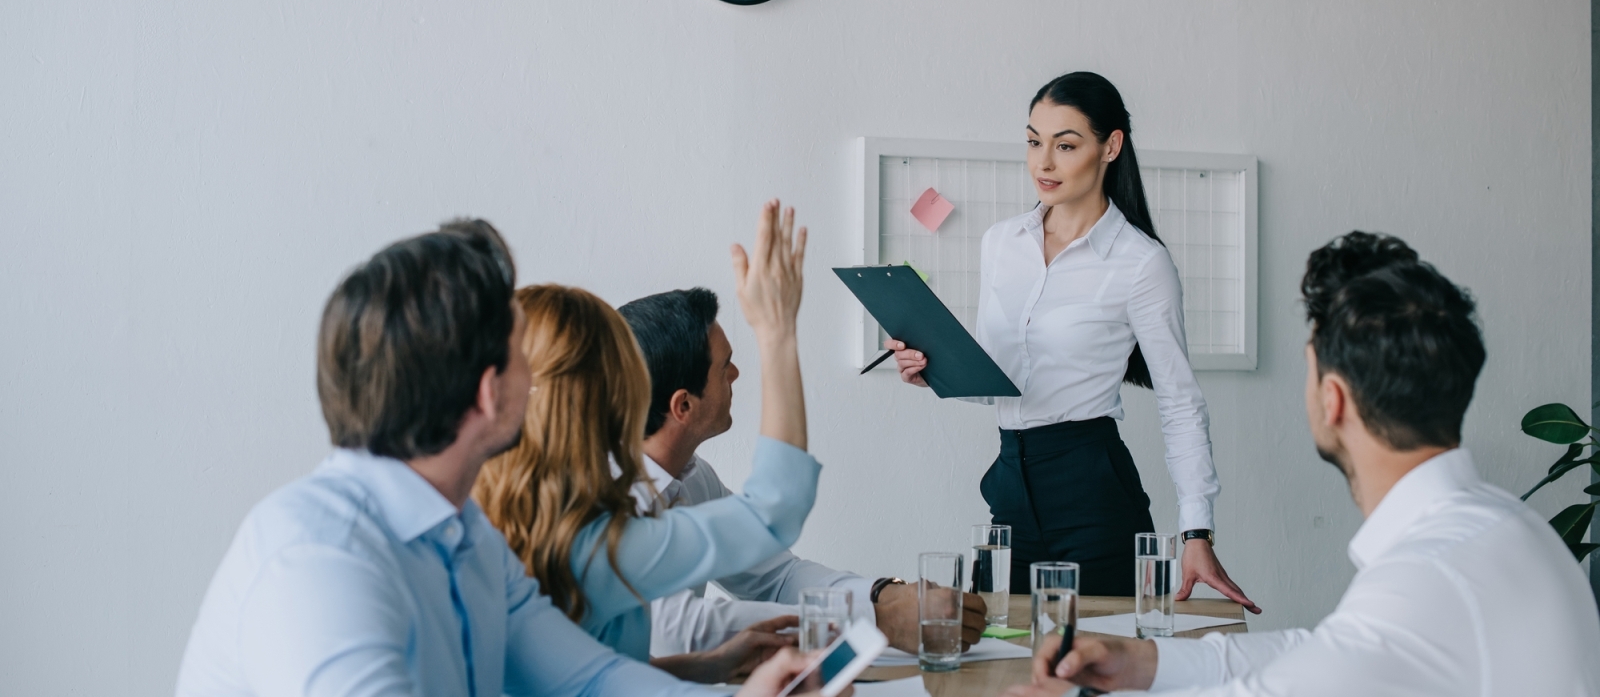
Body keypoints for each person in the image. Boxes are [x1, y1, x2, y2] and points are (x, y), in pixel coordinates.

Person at [174, 218, 830, 697]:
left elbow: (587, 679)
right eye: (525, 355)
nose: (542, 381)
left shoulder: (468, 540)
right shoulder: (320, 557)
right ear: (492, 393)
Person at [1013, 231, 1600, 696]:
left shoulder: (1429, 575)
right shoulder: (1496, 525)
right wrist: (1143, 660)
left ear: (1333, 397)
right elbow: (1326, 653)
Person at [888, 72, 1255, 609]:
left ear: (1111, 146)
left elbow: (1180, 402)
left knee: (1095, 674)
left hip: (1093, 494)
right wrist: (934, 371)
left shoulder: (1141, 263)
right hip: (1010, 489)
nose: (1044, 162)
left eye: (1065, 145)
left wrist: (1196, 533)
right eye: (1034, 142)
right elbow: (1006, 387)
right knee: (1001, 662)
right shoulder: (1001, 243)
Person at [473, 201, 822, 680]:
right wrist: (777, 331)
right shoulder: (592, 540)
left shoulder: (514, 516)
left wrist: (707, 666)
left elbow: (583, 678)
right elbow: (773, 511)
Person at [617, 287, 987, 658]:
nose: (736, 372)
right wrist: (879, 621)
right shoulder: (606, 496)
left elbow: (775, 577)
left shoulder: (693, 476)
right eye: (723, 366)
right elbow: (673, 632)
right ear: (683, 405)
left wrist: (886, 595)